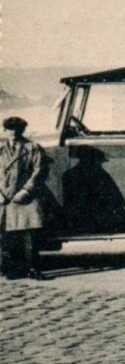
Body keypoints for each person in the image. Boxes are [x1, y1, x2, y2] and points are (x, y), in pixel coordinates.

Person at [0, 117, 48, 280]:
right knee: (7, 236)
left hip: (26, 197)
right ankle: (13, 269)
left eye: (17, 130)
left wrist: (26, 190)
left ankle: (34, 269)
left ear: (22, 131)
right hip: (4, 197)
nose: (13, 133)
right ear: (5, 131)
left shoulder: (32, 148)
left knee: (30, 235)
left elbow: (39, 171)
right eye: (9, 129)